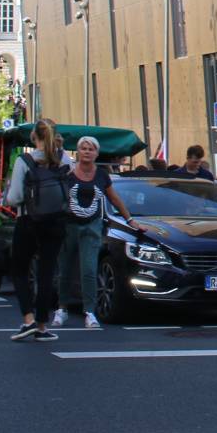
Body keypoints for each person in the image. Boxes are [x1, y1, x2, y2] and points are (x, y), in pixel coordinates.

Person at [5, 120, 76, 343]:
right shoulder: (64, 159)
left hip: (28, 220)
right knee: (47, 272)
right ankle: (43, 325)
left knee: (19, 269)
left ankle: (28, 319)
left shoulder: (24, 161)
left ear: (34, 137)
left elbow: (15, 197)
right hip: (56, 221)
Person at [56, 137, 137, 329]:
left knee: (89, 269)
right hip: (69, 225)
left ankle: (90, 312)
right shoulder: (67, 173)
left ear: (96, 153)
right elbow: (58, 197)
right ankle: (62, 308)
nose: (87, 152)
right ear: (78, 152)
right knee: (65, 269)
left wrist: (130, 220)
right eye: (83, 148)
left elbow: (115, 199)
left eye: (91, 149)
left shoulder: (102, 175)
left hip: (92, 226)